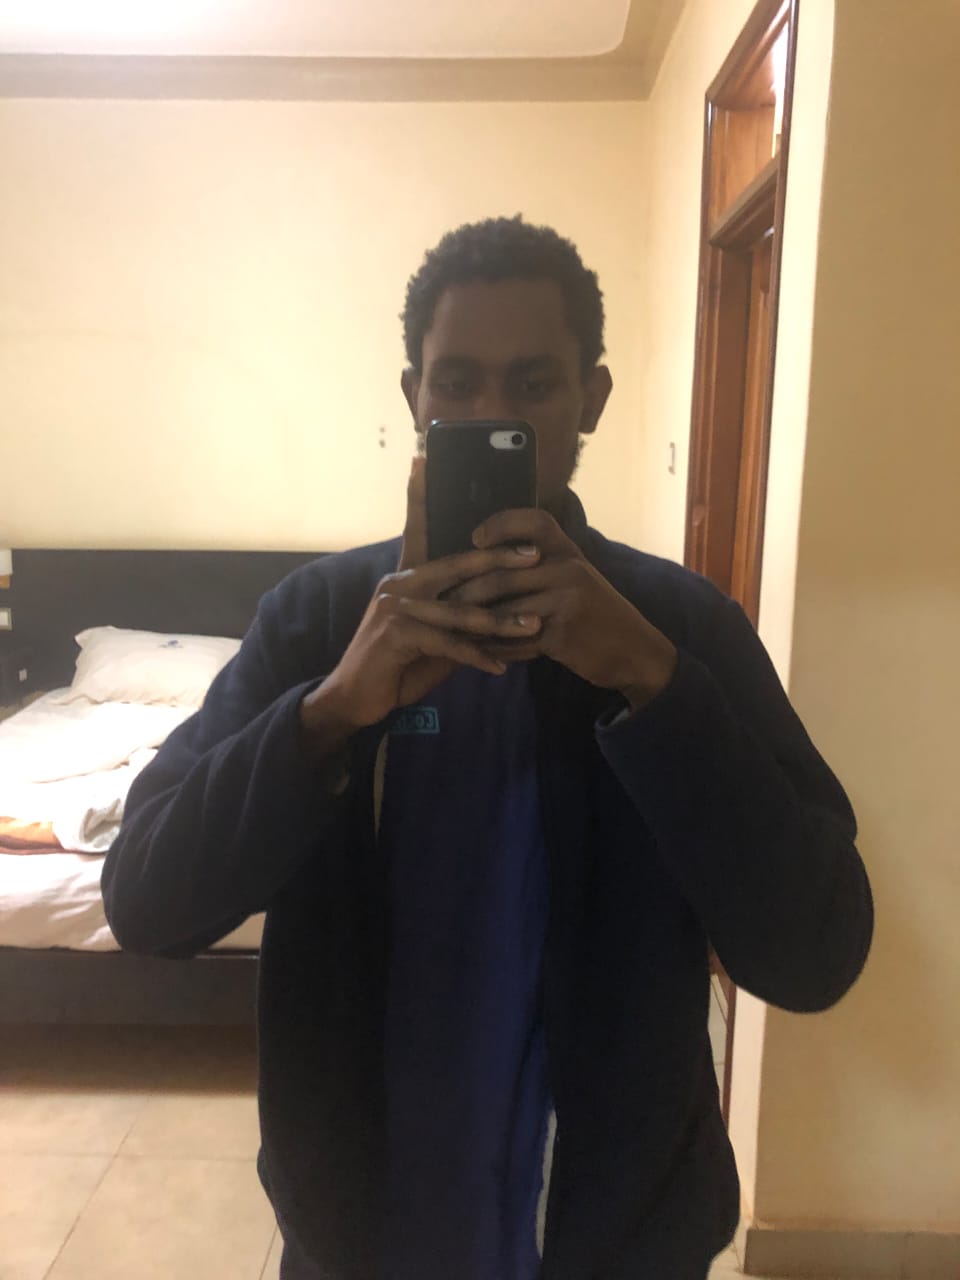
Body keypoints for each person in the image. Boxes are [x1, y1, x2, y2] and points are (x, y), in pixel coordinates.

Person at [102, 216, 873, 1280]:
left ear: (591, 399)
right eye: (456, 383)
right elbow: (146, 901)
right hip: (362, 1237)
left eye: (533, 385)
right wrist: (331, 711)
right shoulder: (317, 620)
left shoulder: (679, 627)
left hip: (619, 1242)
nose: (488, 416)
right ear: (412, 395)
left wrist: (649, 681)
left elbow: (817, 950)